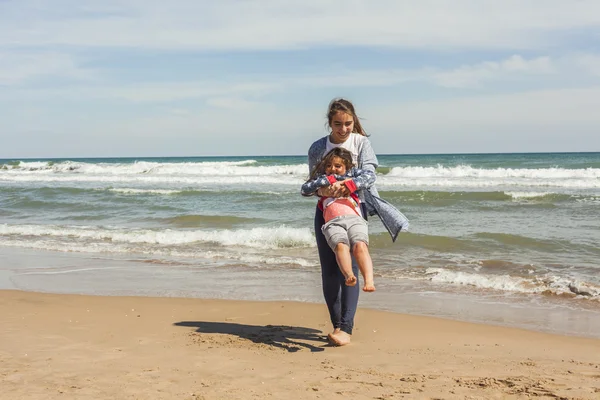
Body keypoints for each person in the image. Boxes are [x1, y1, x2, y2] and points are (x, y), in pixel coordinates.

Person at [302, 98, 409, 347]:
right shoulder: (318, 147)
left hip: (353, 209)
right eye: (338, 124)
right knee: (330, 271)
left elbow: (369, 175)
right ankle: (338, 325)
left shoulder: (361, 143)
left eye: (348, 123)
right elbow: (312, 181)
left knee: (350, 267)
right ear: (329, 123)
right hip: (326, 212)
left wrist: (346, 185)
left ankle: (346, 328)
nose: (343, 129)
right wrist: (323, 192)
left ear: (353, 121)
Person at [301, 147, 377, 292]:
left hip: (355, 219)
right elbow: (305, 189)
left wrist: (350, 184)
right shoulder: (323, 179)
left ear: (347, 167)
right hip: (332, 222)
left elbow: (371, 177)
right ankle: (349, 275)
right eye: (328, 166)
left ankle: (369, 280)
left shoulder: (353, 175)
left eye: (338, 166)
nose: (332, 169)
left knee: (360, 245)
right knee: (341, 246)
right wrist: (323, 183)